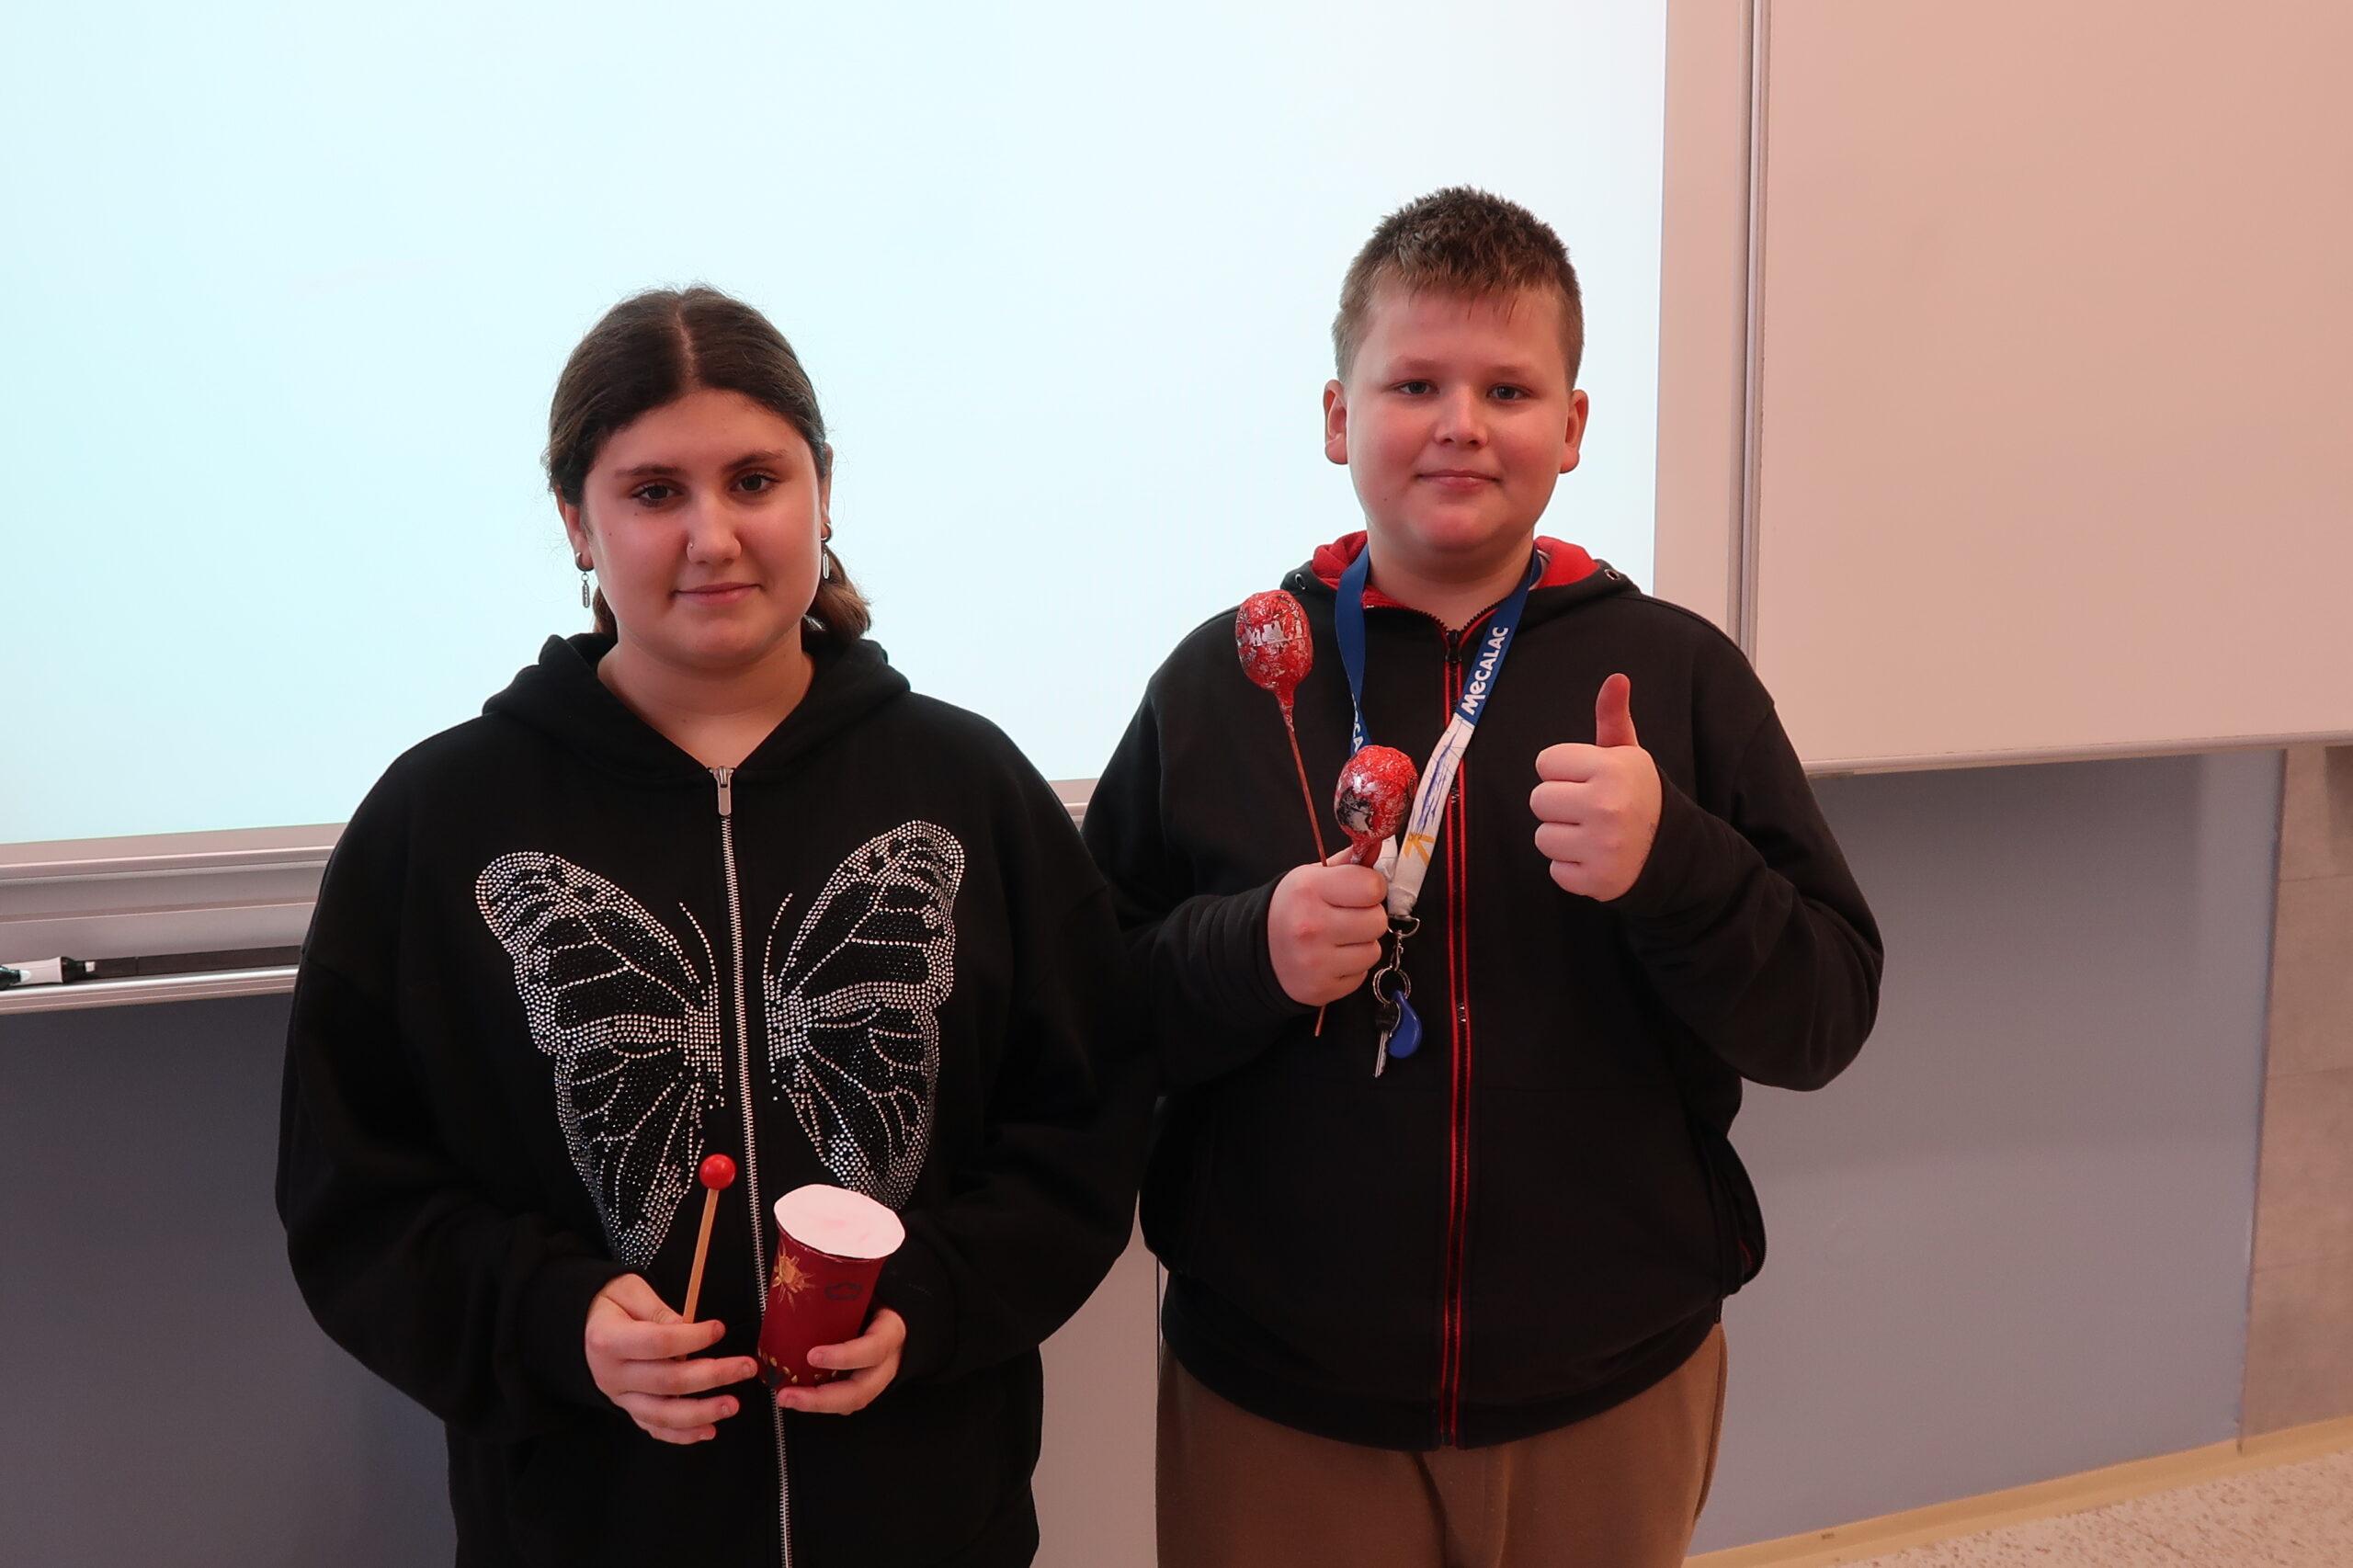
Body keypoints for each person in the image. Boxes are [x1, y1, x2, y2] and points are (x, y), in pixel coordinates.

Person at [278, 287, 1145, 1568]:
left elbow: (1082, 1128)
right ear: (576, 519)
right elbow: (356, 1197)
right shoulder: (438, 818)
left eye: (754, 480)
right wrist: (557, 1321)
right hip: (586, 1527)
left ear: (824, 490)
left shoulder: (971, 787)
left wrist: (932, 1300)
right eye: (653, 492)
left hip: (926, 1518)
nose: (713, 535)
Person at [1081, 188, 1884, 1568]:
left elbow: (1824, 1018)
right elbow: (1091, 1015)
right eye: (1414, 384)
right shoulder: (1222, 680)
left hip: (1609, 1379)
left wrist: (1677, 864)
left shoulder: (1680, 676)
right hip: (1281, 1391)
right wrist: (1246, 953)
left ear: (1573, 427)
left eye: (1508, 389)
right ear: (1337, 417)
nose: (1461, 422)